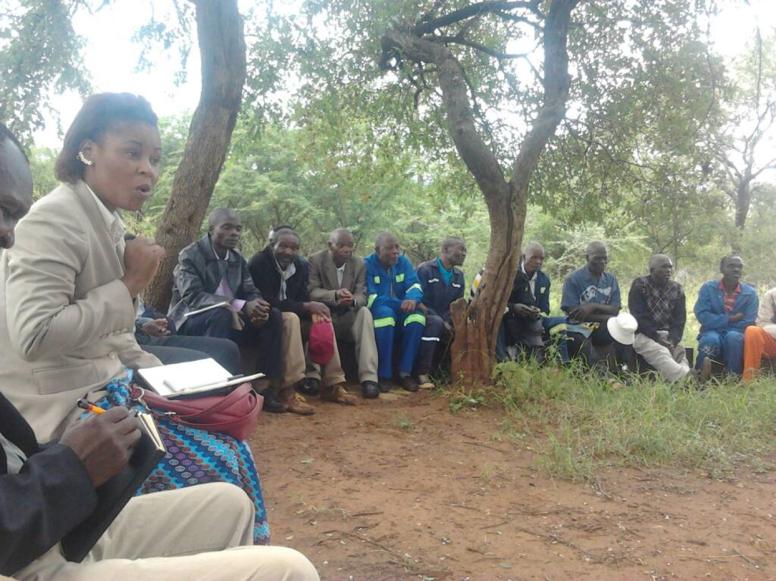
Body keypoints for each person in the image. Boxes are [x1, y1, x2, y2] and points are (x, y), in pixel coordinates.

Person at [0, 122, 318, 581]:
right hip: (65, 404)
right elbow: (35, 335)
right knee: (223, 455)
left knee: (228, 445)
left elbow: (115, 331)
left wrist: (157, 373)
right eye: (132, 153)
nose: (147, 170)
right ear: (88, 150)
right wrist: (131, 284)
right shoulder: (56, 219)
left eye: (155, 158)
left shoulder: (108, 224)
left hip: (91, 406)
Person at [169, 208, 294, 414]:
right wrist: (240, 304)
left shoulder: (236, 258)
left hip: (231, 319)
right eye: (226, 228)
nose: (234, 233)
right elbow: (193, 297)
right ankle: (218, 389)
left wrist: (257, 306)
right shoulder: (190, 255)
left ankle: (266, 388)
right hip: (191, 320)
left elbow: (251, 291)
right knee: (222, 313)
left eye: (238, 229)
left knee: (273, 316)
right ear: (211, 230)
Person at [248, 226, 356, 412]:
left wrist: (311, 309)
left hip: (292, 314)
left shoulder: (300, 265)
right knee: (291, 319)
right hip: (266, 318)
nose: (288, 252)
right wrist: (304, 307)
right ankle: (288, 390)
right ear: (272, 244)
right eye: (283, 246)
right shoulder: (259, 262)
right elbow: (265, 299)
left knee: (321, 317)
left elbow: (302, 298)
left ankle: (333, 383)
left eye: (293, 248)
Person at [307, 228, 381, 399]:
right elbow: (312, 291)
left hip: (349, 314)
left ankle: (369, 378)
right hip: (327, 311)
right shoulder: (316, 260)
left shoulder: (359, 263)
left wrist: (352, 300)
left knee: (365, 313)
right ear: (329, 245)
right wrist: (335, 295)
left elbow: (362, 294)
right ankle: (314, 377)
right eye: (341, 245)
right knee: (316, 314)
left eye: (350, 246)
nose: (346, 250)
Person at [364, 232, 426, 391]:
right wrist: (401, 304)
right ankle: (384, 375)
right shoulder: (367, 265)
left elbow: (414, 286)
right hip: (379, 310)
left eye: (397, 247)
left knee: (417, 319)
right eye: (389, 248)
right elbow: (372, 298)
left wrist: (413, 299)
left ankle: (405, 373)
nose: (395, 252)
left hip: (403, 309)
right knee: (386, 316)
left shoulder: (403, 262)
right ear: (377, 250)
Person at [628, 254, 692, 382]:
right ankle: (688, 379)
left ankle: (689, 376)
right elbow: (638, 317)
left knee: (679, 353)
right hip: (643, 334)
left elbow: (680, 320)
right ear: (652, 270)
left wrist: (673, 340)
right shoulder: (640, 285)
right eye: (664, 267)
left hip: (668, 335)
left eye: (670, 267)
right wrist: (657, 337)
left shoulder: (677, 289)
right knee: (661, 352)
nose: (668, 270)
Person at [560, 241, 623, 365]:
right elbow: (574, 314)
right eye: (597, 258)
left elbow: (615, 309)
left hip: (603, 326)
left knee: (624, 335)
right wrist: (607, 316)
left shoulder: (610, 279)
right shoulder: (573, 279)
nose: (602, 262)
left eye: (605, 258)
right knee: (583, 345)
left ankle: (623, 370)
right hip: (577, 327)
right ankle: (598, 376)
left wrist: (591, 307)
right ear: (587, 257)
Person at [695, 255, 758, 376]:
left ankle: (732, 377)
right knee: (710, 340)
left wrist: (722, 325)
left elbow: (749, 321)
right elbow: (702, 315)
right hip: (711, 330)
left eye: (739, 267)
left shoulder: (750, 294)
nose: (736, 269)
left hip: (736, 331)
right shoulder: (708, 288)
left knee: (733, 338)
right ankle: (699, 376)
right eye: (731, 266)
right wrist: (730, 318)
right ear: (721, 269)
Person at [415, 237, 467, 385]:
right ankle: (422, 373)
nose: (463, 253)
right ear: (445, 250)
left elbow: (457, 305)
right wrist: (440, 320)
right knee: (436, 324)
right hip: (425, 315)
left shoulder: (459, 276)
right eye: (460, 249)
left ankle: (445, 372)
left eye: (465, 251)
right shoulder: (424, 270)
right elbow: (418, 300)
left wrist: (450, 321)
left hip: (447, 319)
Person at [743, 287, 776, 382]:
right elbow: (762, 324)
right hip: (773, 342)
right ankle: (749, 380)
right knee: (752, 331)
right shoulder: (771, 295)